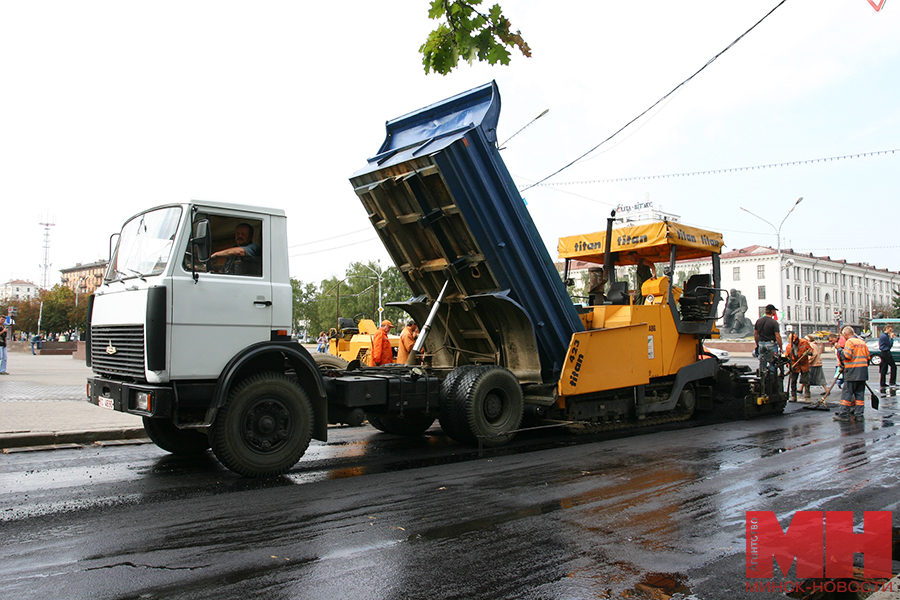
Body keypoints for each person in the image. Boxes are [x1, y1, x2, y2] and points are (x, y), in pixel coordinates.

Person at [834, 326, 870, 422]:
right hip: (862, 373)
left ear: (845, 334)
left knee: (847, 394)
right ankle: (859, 415)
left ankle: (843, 415)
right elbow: (868, 358)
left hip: (852, 372)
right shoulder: (862, 342)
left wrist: (839, 349)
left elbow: (847, 356)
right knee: (859, 396)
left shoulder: (850, 342)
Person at [754, 304, 782, 373]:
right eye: (775, 311)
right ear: (772, 311)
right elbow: (777, 336)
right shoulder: (774, 323)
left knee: (762, 363)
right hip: (771, 344)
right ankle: (772, 377)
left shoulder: (759, 321)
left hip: (761, 344)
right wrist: (781, 347)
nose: (775, 312)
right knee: (773, 362)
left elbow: (755, 334)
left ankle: (762, 376)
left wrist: (757, 344)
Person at [784, 331, 811, 402]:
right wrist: (789, 365)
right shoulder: (789, 347)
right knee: (793, 381)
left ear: (797, 339)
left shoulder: (804, 342)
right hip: (794, 365)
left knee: (806, 382)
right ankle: (793, 396)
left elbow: (811, 350)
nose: (794, 343)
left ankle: (807, 397)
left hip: (804, 364)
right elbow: (787, 357)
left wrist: (809, 352)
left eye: (795, 341)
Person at [804, 334, 828, 398]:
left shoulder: (811, 345)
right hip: (816, 363)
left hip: (814, 364)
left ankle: (826, 390)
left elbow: (814, 354)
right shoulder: (814, 344)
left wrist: (809, 361)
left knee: (808, 377)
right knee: (816, 377)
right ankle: (801, 389)